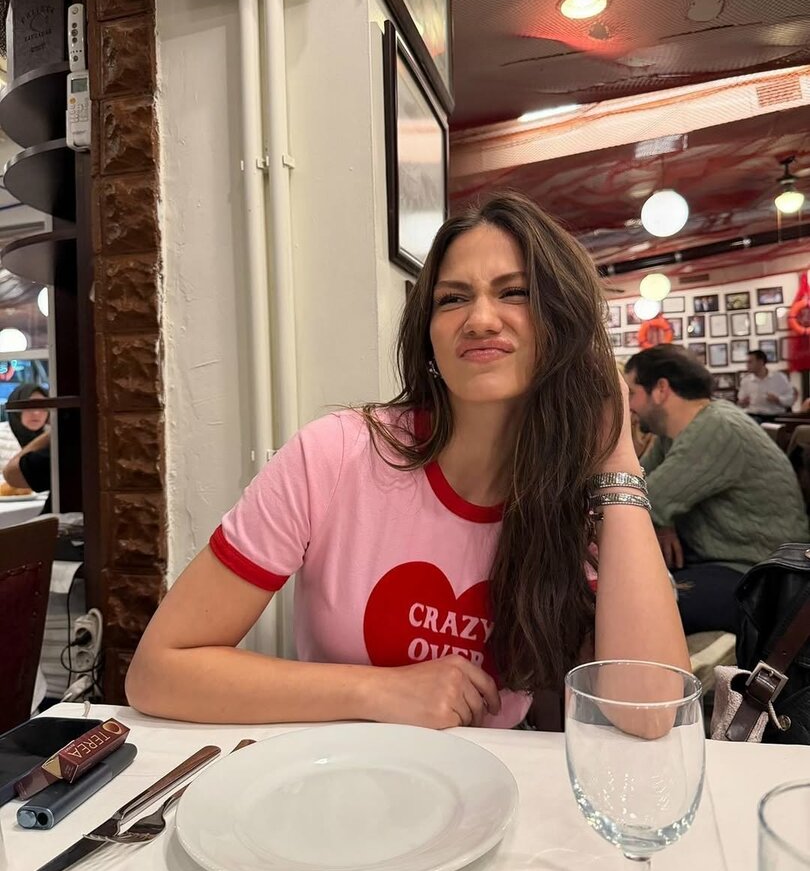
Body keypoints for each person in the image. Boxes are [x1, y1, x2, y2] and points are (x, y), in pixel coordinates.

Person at [126, 193, 688, 730]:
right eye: (452, 298)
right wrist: (378, 690)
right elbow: (158, 672)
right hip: (339, 772)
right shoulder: (334, 455)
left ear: (564, 326)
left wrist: (616, 459)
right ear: (428, 339)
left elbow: (649, 711)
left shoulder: (582, 495)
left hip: (494, 782)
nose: (481, 319)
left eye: (515, 293)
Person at [624, 345, 809, 636]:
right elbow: (634, 485)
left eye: (631, 393)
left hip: (762, 579)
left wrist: (659, 514)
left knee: (629, 609)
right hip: (725, 562)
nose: (629, 406)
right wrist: (662, 519)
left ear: (660, 389)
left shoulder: (717, 426)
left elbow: (639, 502)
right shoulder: (673, 433)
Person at [1, 384, 50, 507]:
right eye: (29, 407)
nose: (36, 413)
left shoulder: (52, 438)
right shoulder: (2, 436)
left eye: (43, 407)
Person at [737, 349, 794, 422]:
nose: (747, 365)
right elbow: (741, 403)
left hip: (775, 416)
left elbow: (790, 399)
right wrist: (742, 403)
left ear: (760, 362)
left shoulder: (779, 378)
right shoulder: (746, 381)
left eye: (750, 362)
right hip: (753, 416)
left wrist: (778, 399)